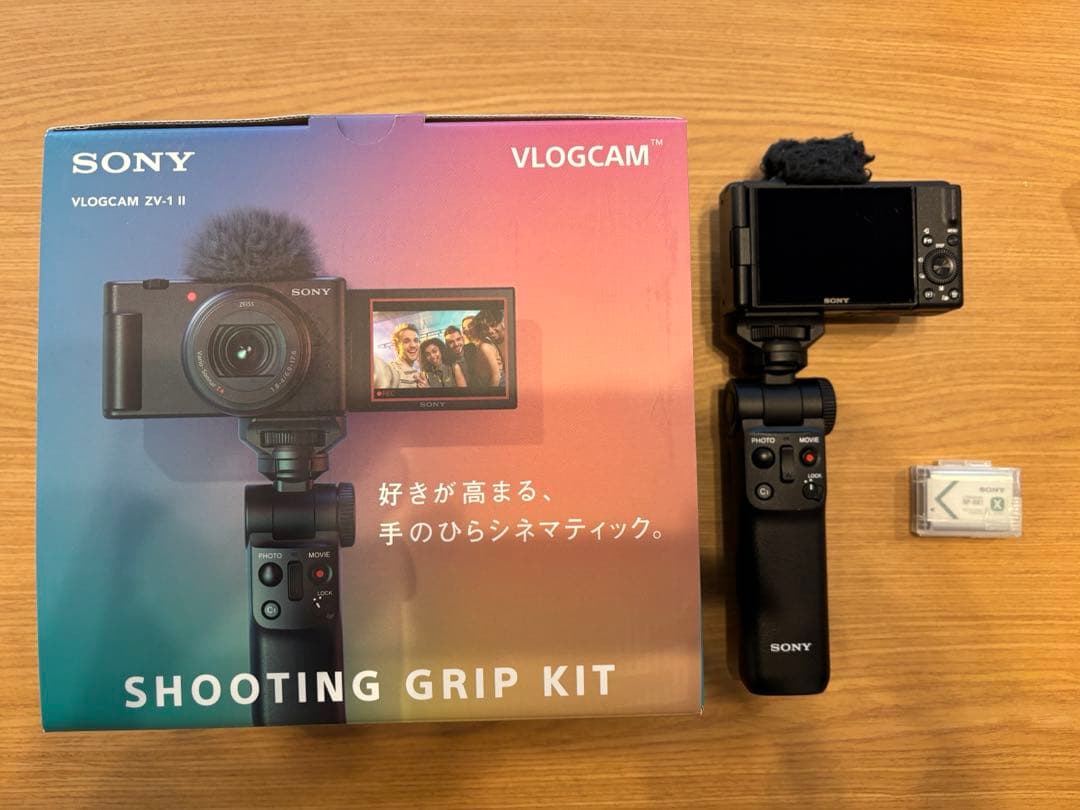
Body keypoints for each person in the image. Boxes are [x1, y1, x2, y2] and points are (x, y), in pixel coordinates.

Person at [464, 310, 504, 388]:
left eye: (470, 326)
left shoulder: (484, 346)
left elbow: (496, 376)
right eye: (464, 328)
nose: (467, 330)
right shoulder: (478, 345)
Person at [383, 323, 428, 388]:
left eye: (416, 340)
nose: (413, 345)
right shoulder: (390, 370)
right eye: (406, 341)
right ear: (397, 346)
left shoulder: (417, 372)